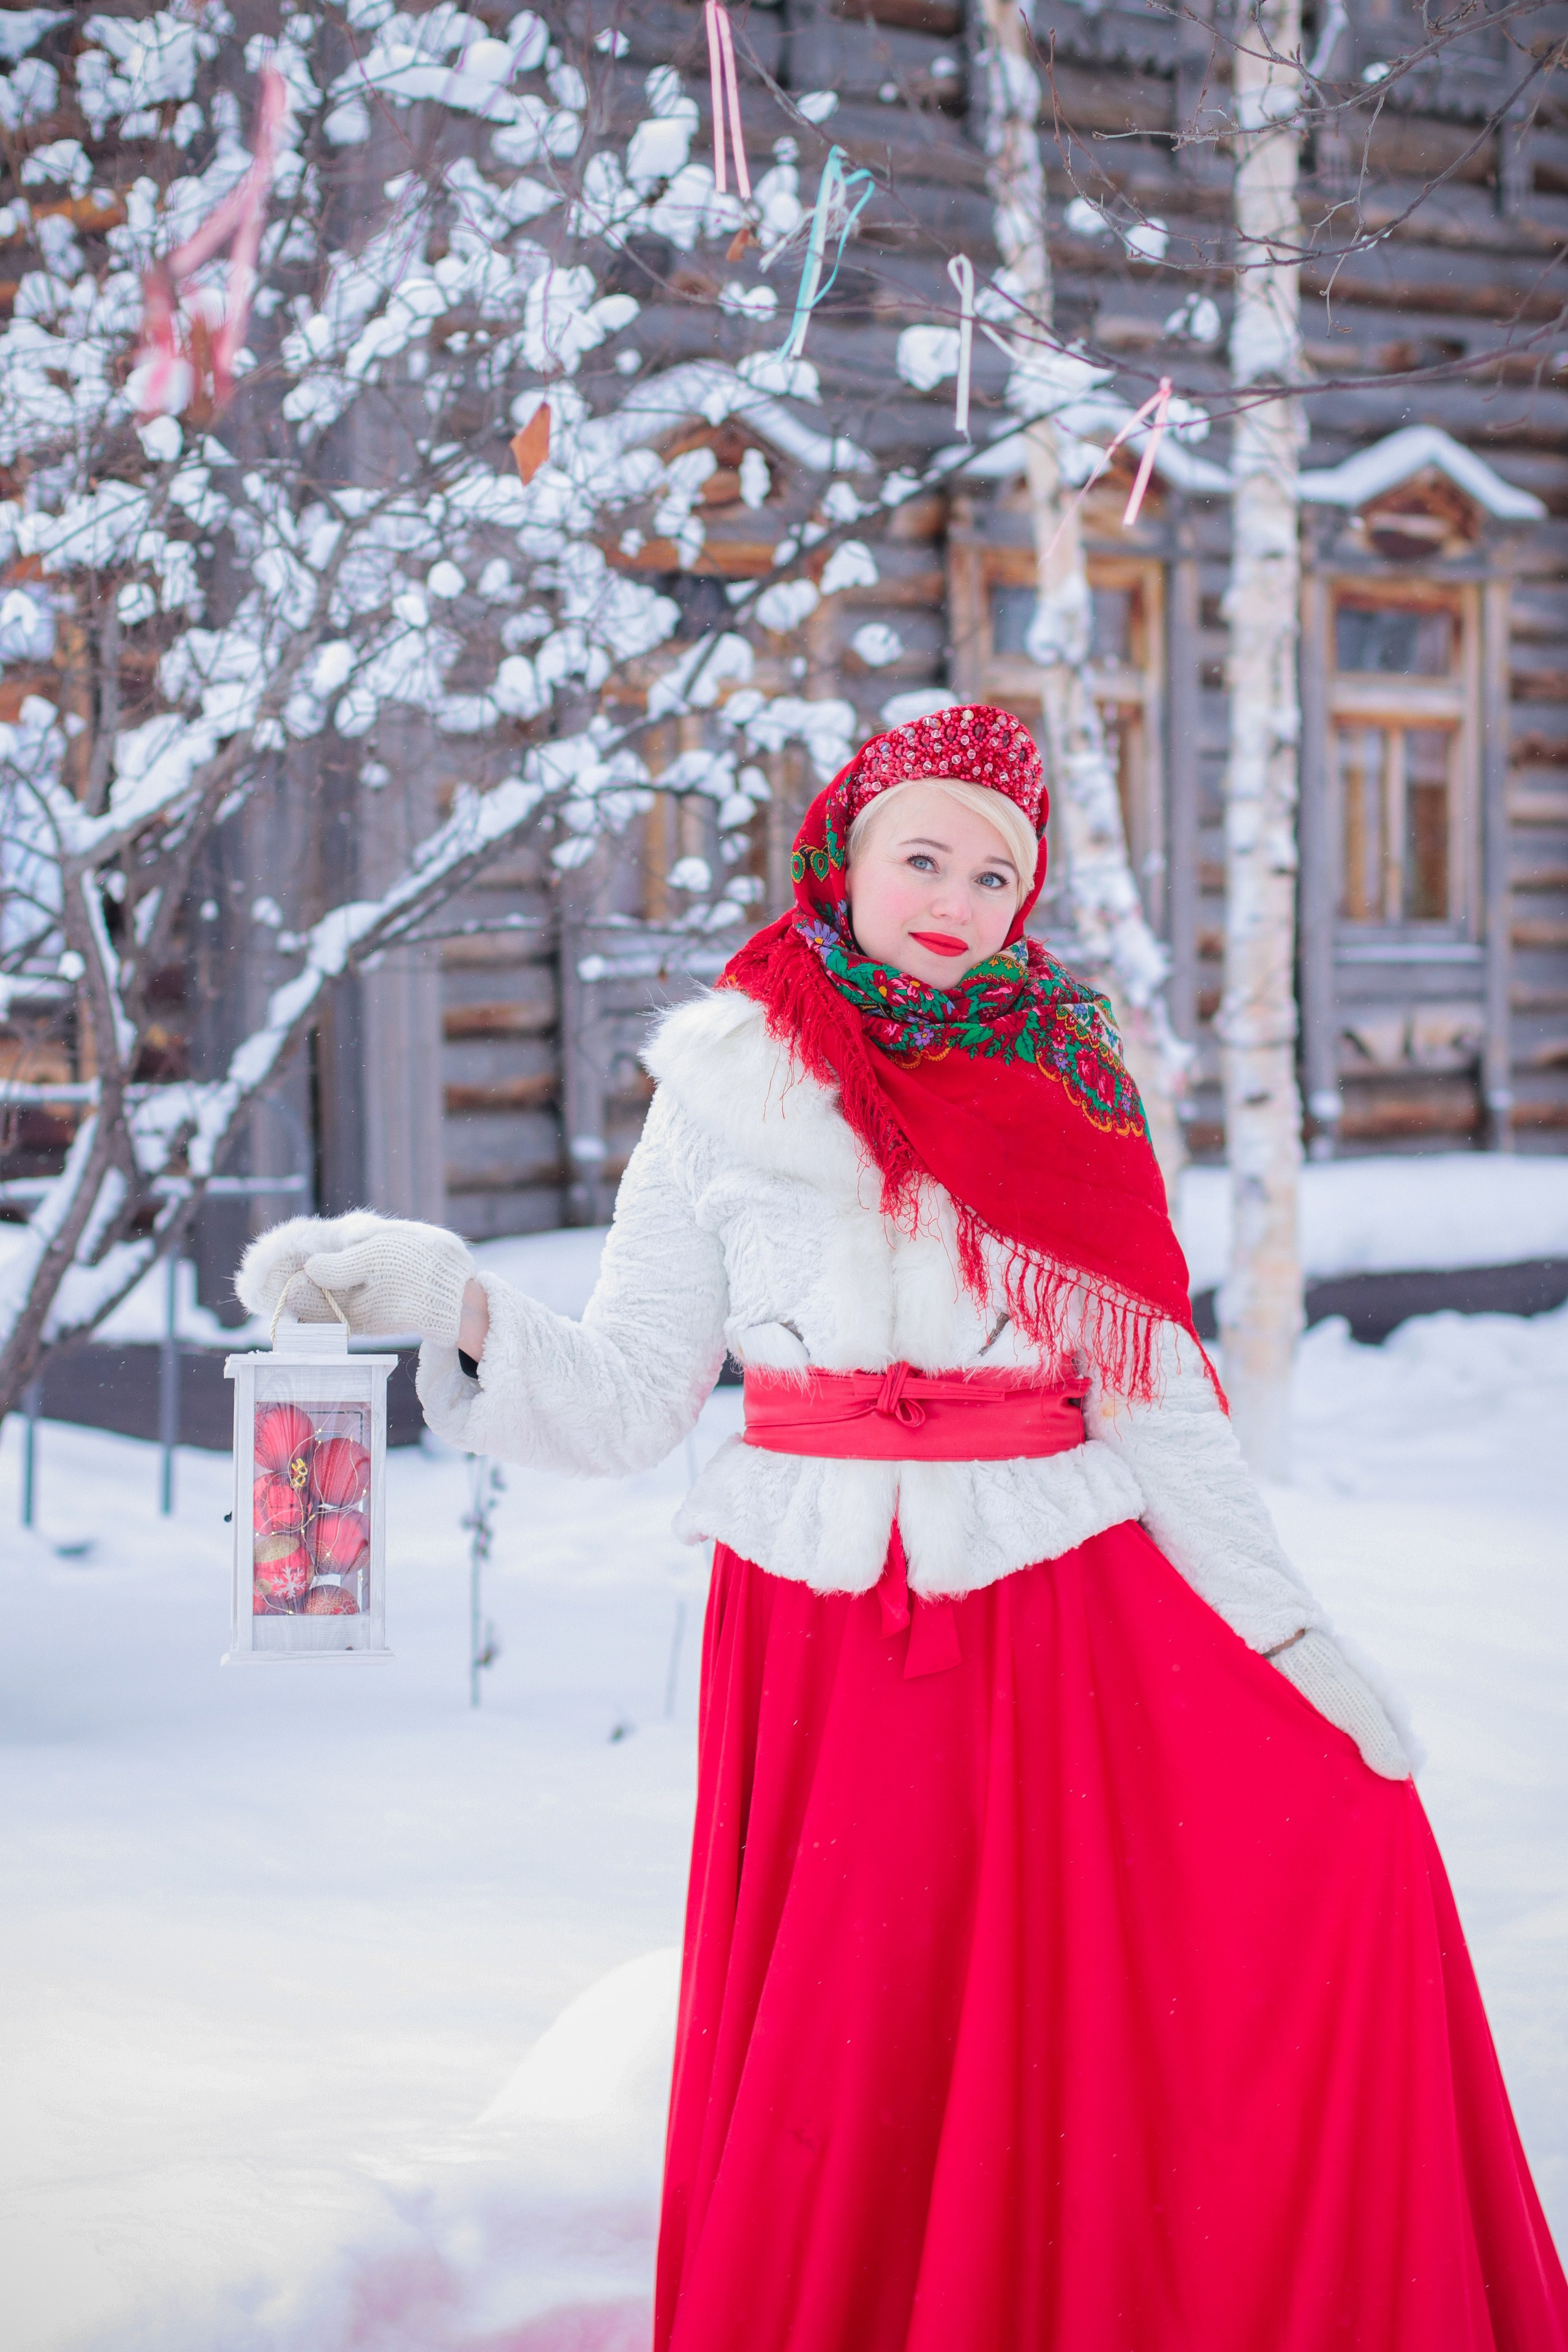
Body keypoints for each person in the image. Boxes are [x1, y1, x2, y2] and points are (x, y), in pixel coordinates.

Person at [237, 706, 1567, 2351]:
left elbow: (1163, 1409)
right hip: (814, 1637)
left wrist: (1296, 1643)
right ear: (846, 856)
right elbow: (638, 1394)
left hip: (1047, 1620)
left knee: (1087, 2025)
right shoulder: (719, 1088)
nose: (953, 895)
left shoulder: (1077, 1083)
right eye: (921, 854)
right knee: (848, 2047)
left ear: (1028, 899)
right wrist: (460, 1306)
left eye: (993, 870)